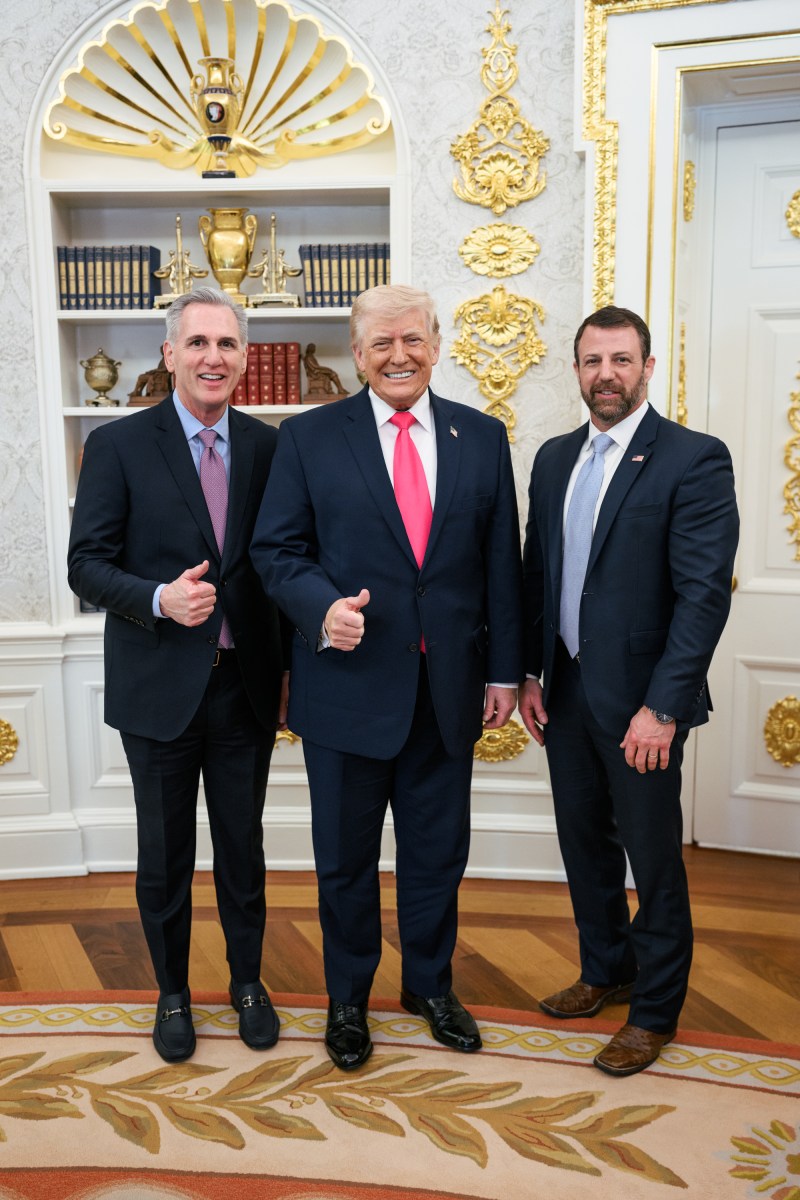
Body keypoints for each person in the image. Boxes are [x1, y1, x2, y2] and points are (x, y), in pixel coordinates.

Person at [251, 284, 523, 1070]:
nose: (398, 355)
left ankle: (430, 988)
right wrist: (320, 610)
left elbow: (499, 564)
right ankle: (347, 1001)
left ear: (437, 343)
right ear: (357, 352)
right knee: (344, 859)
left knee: (438, 854)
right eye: (379, 344)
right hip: (346, 690)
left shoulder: (482, 435)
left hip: (448, 693)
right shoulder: (307, 438)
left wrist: (504, 672)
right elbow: (278, 553)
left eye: (412, 339)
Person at [68, 287, 288, 1063]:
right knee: (165, 855)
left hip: (245, 688)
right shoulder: (117, 446)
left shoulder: (269, 448)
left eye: (227, 344)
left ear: (244, 357)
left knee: (243, 849)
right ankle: (172, 993)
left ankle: (249, 984)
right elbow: (85, 568)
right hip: (157, 689)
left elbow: (281, 567)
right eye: (197, 343)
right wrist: (160, 598)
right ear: (169, 355)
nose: (212, 358)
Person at [519, 305, 739, 1077]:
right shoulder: (553, 460)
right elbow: (536, 578)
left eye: (620, 360)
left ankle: (655, 1012)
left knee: (653, 860)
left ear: (648, 368)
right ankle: (605, 969)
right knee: (584, 846)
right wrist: (529, 675)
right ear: (575, 370)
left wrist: (663, 708)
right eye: (591, 361)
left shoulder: (693, 458)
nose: (605, 374)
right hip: (567, 693)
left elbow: (704, 595)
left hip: (645, 704)